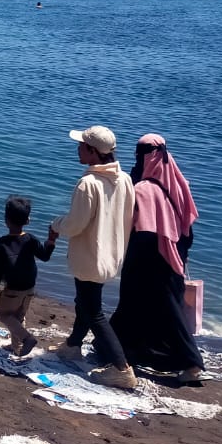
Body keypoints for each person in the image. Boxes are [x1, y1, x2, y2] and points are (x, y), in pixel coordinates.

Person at [48, 125, 137, 389]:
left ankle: (121, 368)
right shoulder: (125, 180)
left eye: (81, 145)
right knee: (85, 301)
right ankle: (73, 346)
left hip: (90, 254)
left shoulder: (89, 183)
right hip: (111, 254)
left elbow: (75, 225)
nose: (77, 148)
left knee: (93, 310)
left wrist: (55, 225)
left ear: (93, 152)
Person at [110, 134, 204, 385]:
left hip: (151, 260)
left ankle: (193, 363)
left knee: (164, 310)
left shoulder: (143, 188)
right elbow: (187, 225)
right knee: (151, 309)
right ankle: (125, 352)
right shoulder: (178, 183)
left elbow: (136, 227)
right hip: (175, 257)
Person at [0, 196, 56, 357]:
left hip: (13, 289)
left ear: (6, 220)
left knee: (4, 315)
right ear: (28, 220)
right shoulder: (30, 239)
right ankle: (16, 346)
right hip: (30, 287)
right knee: (18, 316)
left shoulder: (1, 244)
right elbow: (45, 256)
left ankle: (27, 338)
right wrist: (51, 240)